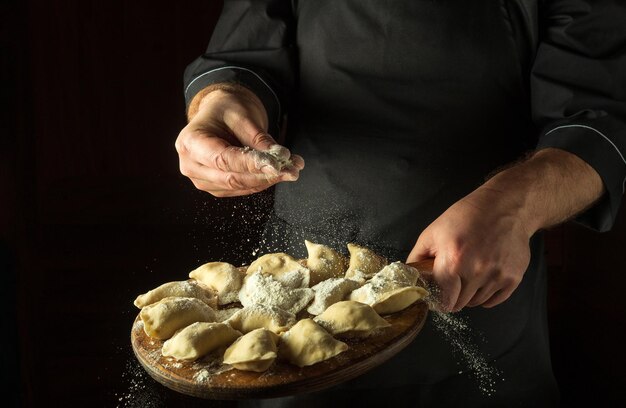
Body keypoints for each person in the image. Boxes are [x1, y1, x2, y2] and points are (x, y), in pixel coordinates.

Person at [175, 1, 626, 406]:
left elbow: (599, 122)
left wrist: (513, 206)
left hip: (480, 284)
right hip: (296, 284)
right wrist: (221, 105)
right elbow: (243, 57)